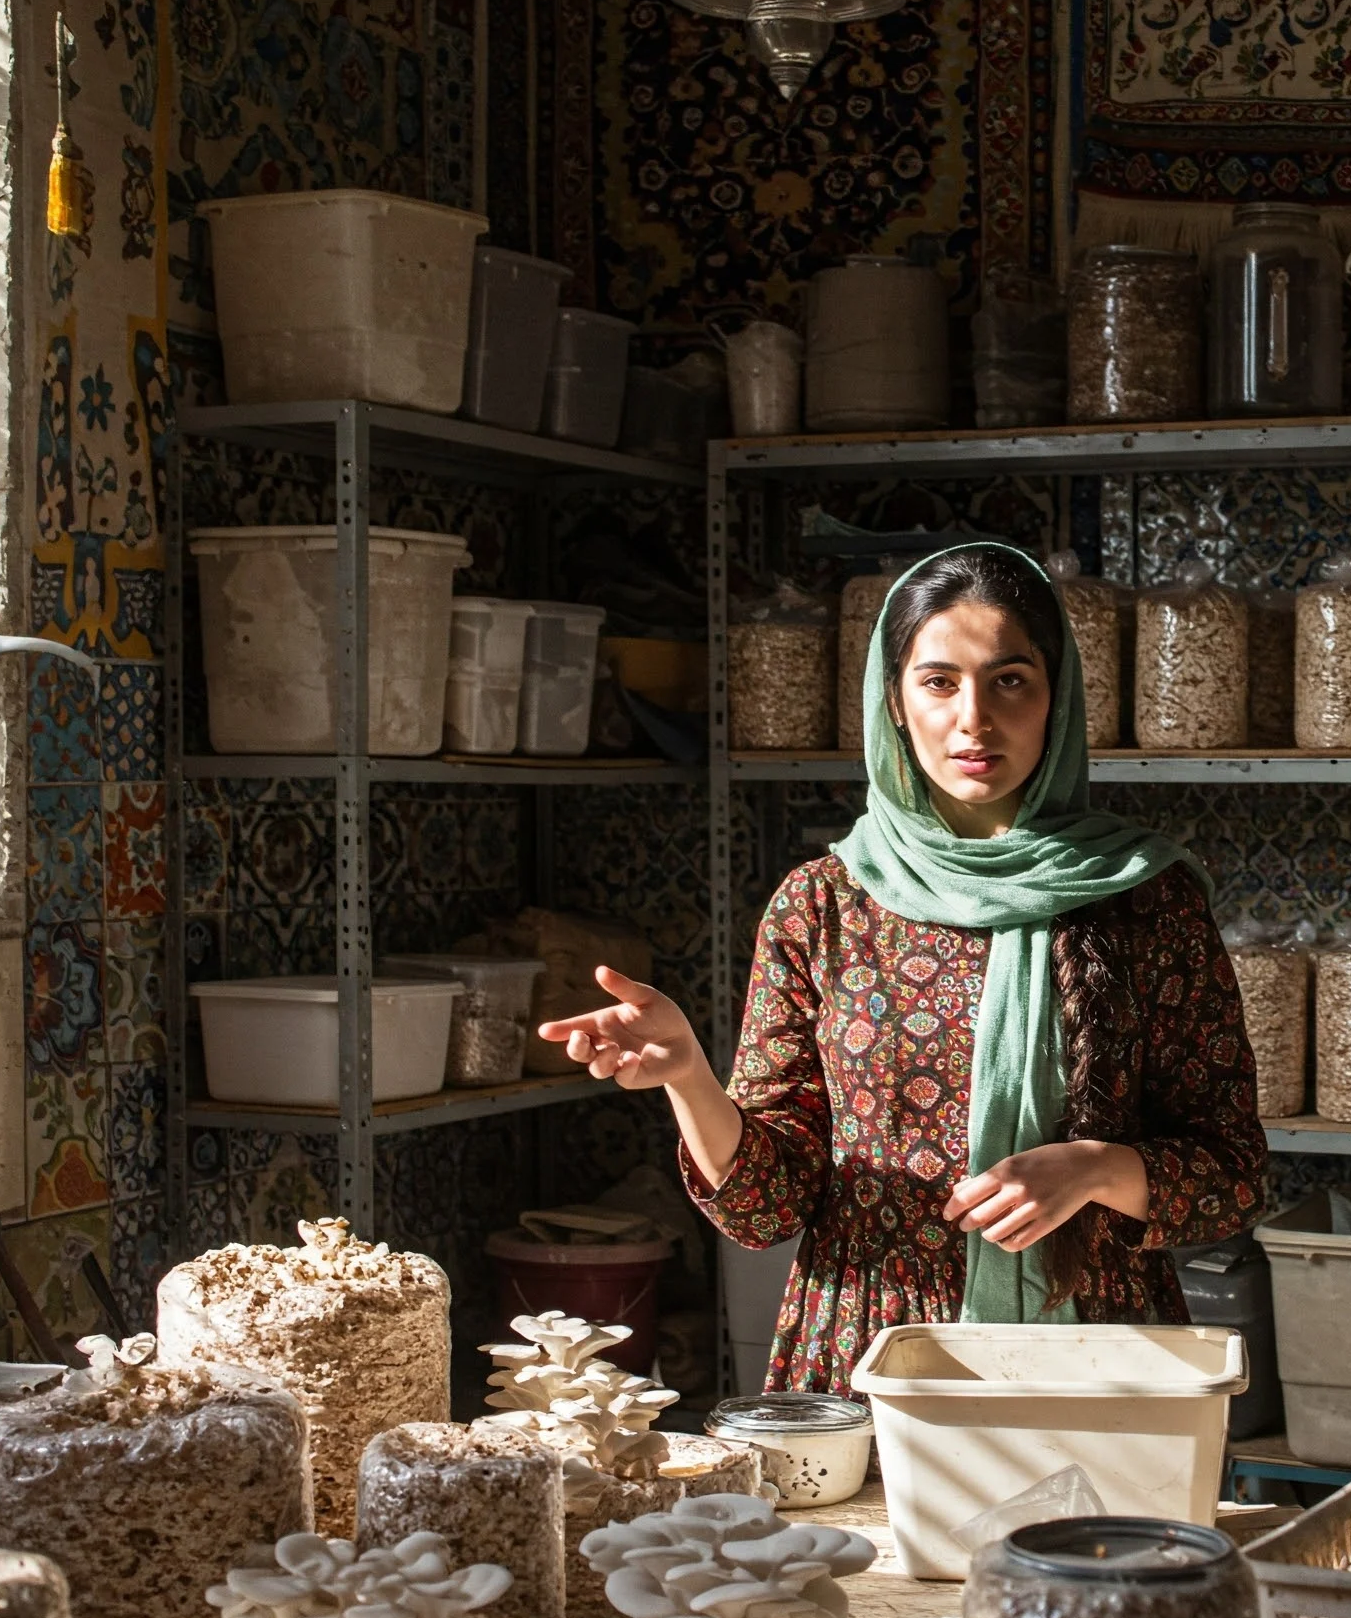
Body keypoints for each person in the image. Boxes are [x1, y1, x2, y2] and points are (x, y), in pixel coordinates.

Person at [540, 542, 1268, 1394]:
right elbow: (763, 1208)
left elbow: (1233, 1176)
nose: (974, 720)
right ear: (893, 701)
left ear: (1058, 697)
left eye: (1009, 680)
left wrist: (1101, 1169)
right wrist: (689, 1077)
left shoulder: (1145, 899)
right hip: (870, 1364)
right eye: (938, 682)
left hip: (1095, 1362)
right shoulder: (826, 905)